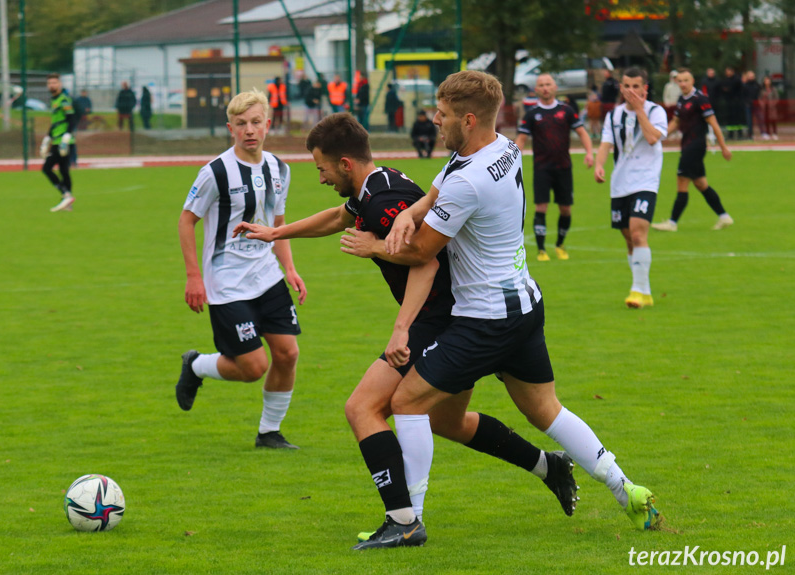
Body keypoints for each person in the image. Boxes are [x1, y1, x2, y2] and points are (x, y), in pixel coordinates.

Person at [341, 70, 661, 548]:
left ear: (468, 119)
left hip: (483, 319)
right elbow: (433, 194)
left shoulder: (468, 181)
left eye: (444, 115)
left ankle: (408, 522)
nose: (435, 120)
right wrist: (408, 212)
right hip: (525, 305)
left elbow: (421, 253)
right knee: (546, 410)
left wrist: (376, 246)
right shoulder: (501, 147)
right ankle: (626, 489)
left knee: (406, 403)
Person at [234, 112, 578, 547]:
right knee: (447, 421)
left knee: (363, 408)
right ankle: (549, 466)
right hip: (456, 313)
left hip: (442, 318)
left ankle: (403, 519)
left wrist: (401, 330)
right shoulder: (376, 184)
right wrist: (276, 232)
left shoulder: (382, 203)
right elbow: (339, 217)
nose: (319, 176)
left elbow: (426, 259)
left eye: (321, 168)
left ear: (344, 164)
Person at [175, 89, 306, 450]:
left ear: (268, 124)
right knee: (252, 368)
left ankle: (269, 433)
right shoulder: (215, 172)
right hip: (227, 283)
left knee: (288, 354)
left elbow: (278, 224)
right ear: (230, 128)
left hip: (267, 276)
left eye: (256, 122)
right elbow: (187, 221)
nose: (250, 130)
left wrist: (290, 268)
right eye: (241, 124)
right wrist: (193, 276)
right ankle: (197, 365)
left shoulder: (280, 169)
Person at [594, 67, 668, 309]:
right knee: (629, 239)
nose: (631, 91)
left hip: (646, 181)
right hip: (620, 183)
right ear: (621, 88)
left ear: (645, 88)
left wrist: (639, 111)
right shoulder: (613, 115)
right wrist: (599, 165)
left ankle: (636, 290)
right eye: (627, 86)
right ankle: (644, 291)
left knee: (638, 234)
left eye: (636, 86)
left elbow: (652, 138)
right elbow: (606, 143)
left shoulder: (656, 112)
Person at [515, 74, 593, 261]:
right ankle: (542, 250)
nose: (545, 88)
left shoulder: (566, 111)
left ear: (555, 87)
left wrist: (589, 152)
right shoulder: (532, 114)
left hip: (564, 168)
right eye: (541, 85)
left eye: (548, 84)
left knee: (565, 209)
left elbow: (582, 132)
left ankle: (560, 244)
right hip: (542, 169)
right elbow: (521, 140)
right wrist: (512, 161)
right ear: (536, 89)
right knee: (541, 207)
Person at [651, 68, 733, 233]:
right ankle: (724, 216)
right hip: (687, 145)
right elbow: (676, 122)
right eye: (679, 81)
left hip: (695, 146)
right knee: (701, 184)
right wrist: (659, 136)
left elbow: (714, 123)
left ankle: (672, 222)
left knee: (682, 180)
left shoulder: (700, 99)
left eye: (685, 80)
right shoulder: (681, 99)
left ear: (692, 81)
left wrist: (723, 147)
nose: (682, 84)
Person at [41, 74, 77, 212]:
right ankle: (68, 201)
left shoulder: (63, 99)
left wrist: (66, 136)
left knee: (46, 168)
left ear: (60, 84)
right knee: (63, 170)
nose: (52, 85)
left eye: (54, 82)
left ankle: (66, 195)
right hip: (57, 140)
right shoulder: (54, 100)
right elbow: (56, 123)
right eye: (50, 83)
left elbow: (72, 119)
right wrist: (47, 139)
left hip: (63, 141)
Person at [718, 67, 744, 140]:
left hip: (736, 103)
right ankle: (730, 134)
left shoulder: (737, 80)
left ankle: (740, 134)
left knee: (738, 119)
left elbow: (738, 90)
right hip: (729, 103)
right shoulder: (725, 80)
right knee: (730, 119)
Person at [758, 76, 779, 140]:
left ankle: (775, 133)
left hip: (772, 108)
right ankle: (767, 133)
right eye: (765, 80)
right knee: (766, 121)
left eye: (768, 80)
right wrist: (762, 104)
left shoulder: (773, 89)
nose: (767, 82)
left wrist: (773, 104)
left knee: (773, 120)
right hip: (765, 108)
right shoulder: (762, 90)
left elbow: (776, 98)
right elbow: (760, 98)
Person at [742, 70, 760, 140]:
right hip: (748, 105)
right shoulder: (745, 85)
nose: (751, 77)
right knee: (749, 120)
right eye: (750, 76)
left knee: (760, 118)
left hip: (756, 105)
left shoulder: (757, 85)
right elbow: (743, 95)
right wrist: (746, 103)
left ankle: (764, 133)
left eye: (752, 76)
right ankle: (750, 134)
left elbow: (759, 94)